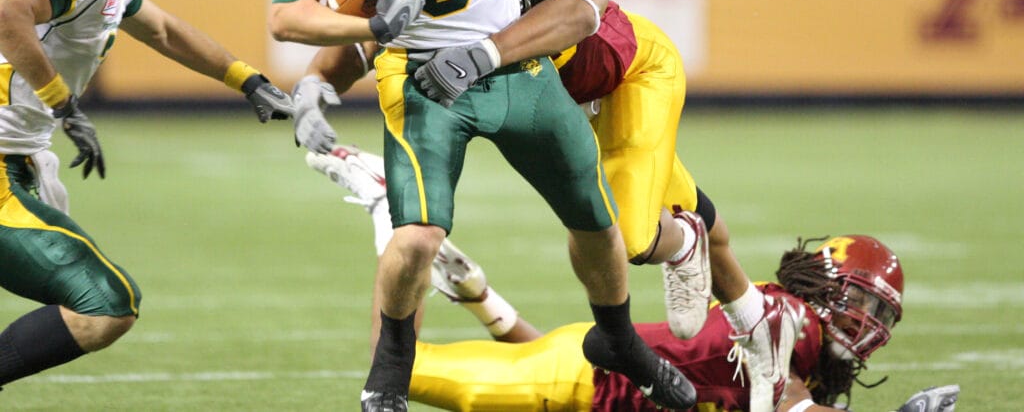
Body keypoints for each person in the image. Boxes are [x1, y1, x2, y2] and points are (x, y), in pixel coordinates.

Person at [269, 0, 695, 412]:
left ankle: (616, 337)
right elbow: (289, 14)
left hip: (510, 58)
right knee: (415, 237)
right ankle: (388, 373)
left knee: (596, 217)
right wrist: (359, 43)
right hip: (424, 76)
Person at [296, 0, 796, 408]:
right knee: (683, 210)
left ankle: (680, 242)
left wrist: (487, 47)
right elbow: (368, 38)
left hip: (628, 76)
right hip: (571, 101)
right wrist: (313, 81)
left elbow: (581, 12)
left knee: (627, 235)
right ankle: (757, 323)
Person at [306, 149, 961, 412]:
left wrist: (485, 301)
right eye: (866, 302)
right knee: (394, 370)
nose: (872, 325)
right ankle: (394, 208)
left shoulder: (808, 364)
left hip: (589, 377)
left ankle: (450, 267)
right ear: (827, 286)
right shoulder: (788, 322)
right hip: (581, 379)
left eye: (883, 313)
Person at [0, 0, 293, 390]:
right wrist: (63, 104)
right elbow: (8, 14)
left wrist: (244, 78)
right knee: (105, 302)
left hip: (21, 153)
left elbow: (161, 29)